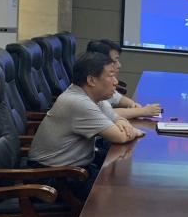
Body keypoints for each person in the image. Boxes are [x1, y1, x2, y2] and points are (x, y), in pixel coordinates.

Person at [28, 52, 144, 198]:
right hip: (51, 176)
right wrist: (134, 131)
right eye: (110, 75)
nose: (115, 82)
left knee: (121, 181)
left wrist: (121, 122)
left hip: (73, 168)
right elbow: (120, 137)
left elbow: (117, 118)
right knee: (119, 194)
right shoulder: (78, 102)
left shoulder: (94, 97)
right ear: (91, 80)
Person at [86, 39, 162, 119]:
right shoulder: (88, 88)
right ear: (98, 61)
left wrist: (133, 105)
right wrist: (142, 111)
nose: (119, 65)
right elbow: (104, 114)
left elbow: (117, 98)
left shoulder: (101, 84)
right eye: (114, 61)